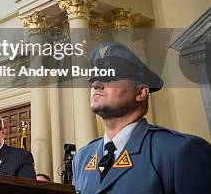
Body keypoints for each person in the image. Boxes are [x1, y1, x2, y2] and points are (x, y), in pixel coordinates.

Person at [73, 41, 211, 194]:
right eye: (93, 80)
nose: (96, 84)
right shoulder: (82, 158)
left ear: (141, 93)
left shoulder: (180, 151)